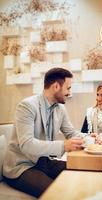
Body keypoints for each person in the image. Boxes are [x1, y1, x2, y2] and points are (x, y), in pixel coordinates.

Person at [3, 67, 84, 198]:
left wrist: (89, 137)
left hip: (45, 162)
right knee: (57, 194)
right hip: (22, 166)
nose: (69, 92)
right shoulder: (26, 106)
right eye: (68, 88)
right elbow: (27, 144)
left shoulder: (60, 108)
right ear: (56, 86)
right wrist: (63, 146)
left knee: (84, 170)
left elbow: (71, 133)